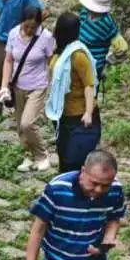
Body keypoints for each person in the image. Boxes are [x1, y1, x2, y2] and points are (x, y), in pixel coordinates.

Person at [0, 4, 56, 173]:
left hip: (37, 86)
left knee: (27, 123)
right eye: (26, 26)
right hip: (18, 86)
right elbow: (9, 60)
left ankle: (42, 155)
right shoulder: (13, 34)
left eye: (33, 27)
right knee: (20, 126)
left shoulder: (46, 37)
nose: (30, 30)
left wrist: (52, 84)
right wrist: (4, 86)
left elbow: (51, 61)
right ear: (21, 22)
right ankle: (28, 155)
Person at [46, 11, 100, 173]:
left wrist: (88, 113)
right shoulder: (60, 51)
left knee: (75, 159)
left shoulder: (78, 55)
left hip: (79, 115)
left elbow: (89, 85)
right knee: (63, 156)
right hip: (62, 113)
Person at [75, 0, 128, 82]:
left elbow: (122, 47)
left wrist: (110, 60)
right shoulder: (84, 12)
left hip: (94, 66)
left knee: (89, 88)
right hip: (77, 58)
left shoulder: (108, 23)